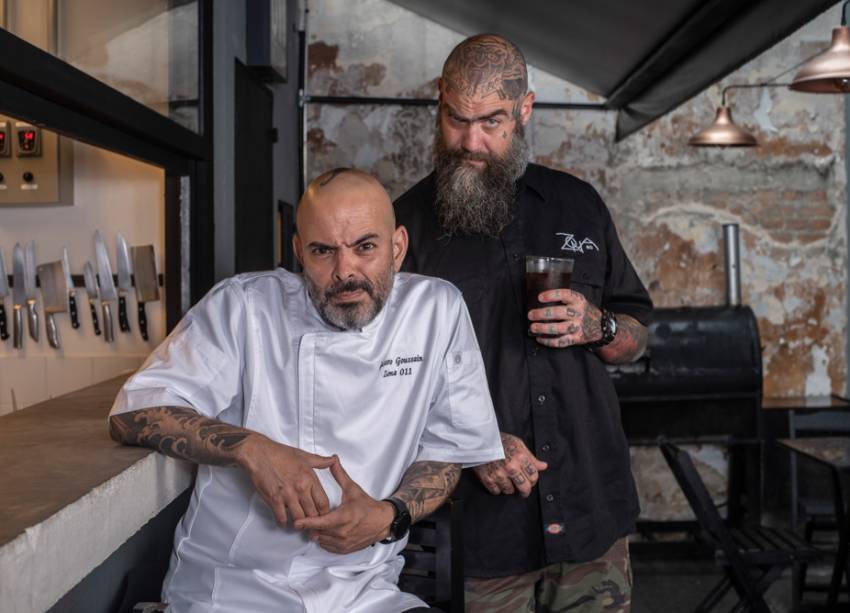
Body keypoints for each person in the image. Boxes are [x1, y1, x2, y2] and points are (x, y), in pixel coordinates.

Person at [109, 168, 504, 613]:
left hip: (365, 592)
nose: (344, 271)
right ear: (299, 252)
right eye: (322, 251)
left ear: (397, 247)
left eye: (365, 247)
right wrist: (253, 449)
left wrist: (388, 516)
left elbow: (447, 450)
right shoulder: (243, 306)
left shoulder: (437, 310)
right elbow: (134, 412)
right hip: (233, 591)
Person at [394, 35, 653, 612]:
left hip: (591, 512)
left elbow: (635, 333)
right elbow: (387, 381)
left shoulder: (579, 205)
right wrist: (476, 442)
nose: (471, 142)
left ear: (525, 109)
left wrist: (600, 328)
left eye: (492, 122)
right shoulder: (403, 227)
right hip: (482, 530)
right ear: (439, 101)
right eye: (457, 119)